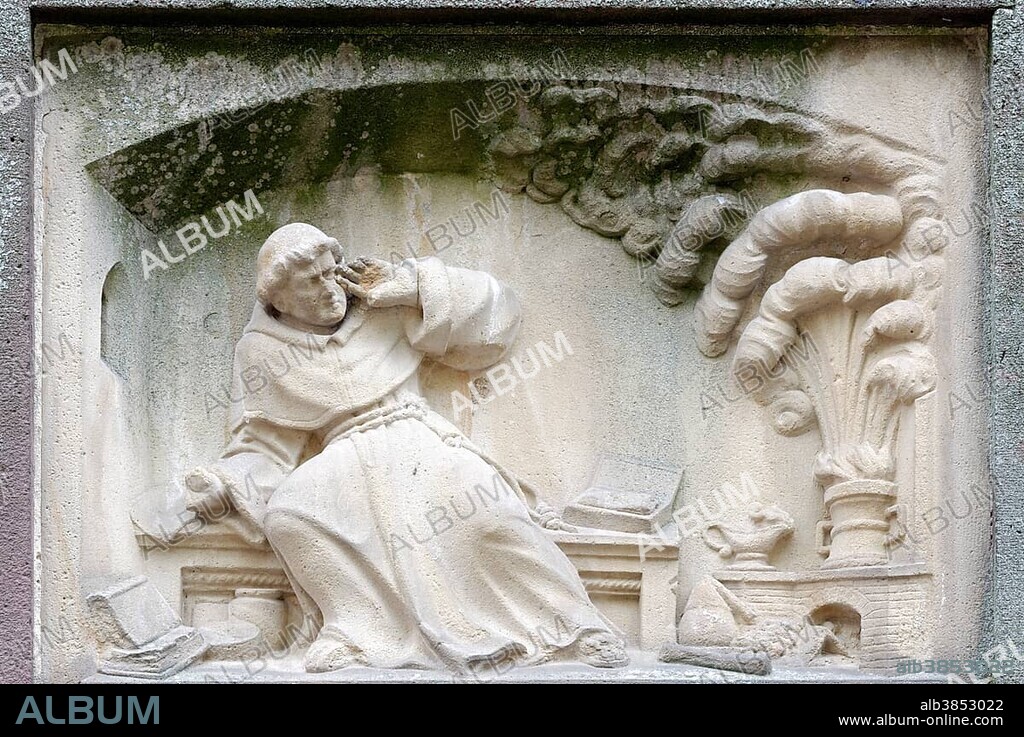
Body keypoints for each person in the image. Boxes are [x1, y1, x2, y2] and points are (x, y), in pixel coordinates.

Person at [186, 222, 628, 674]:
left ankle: (575, 626)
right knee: (289, 515)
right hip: (344, 452)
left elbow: (498, 321)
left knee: (491, 514)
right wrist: (226, 481)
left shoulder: (381, 306)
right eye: (312, 282)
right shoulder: (261, 351)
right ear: (280, 300)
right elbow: (265, 444)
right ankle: (356, 628)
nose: (330, 286)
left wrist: (414, 288)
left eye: (331, 269)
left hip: (417, 435)